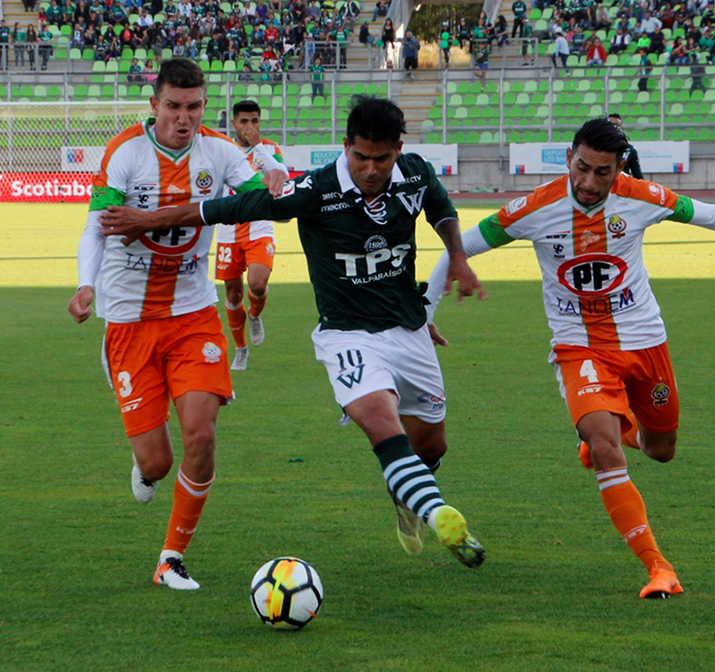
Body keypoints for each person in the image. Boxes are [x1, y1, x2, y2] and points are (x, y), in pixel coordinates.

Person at [425, 118, 715, 598]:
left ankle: (612, 432)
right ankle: (658, 567)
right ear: (568, 158)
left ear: (619, 168)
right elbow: (458, 250)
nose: (588, 182)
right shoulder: (536, 207)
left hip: (645, 343)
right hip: (578, 345)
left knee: (662, 450)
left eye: (602, 172)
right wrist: (423, 313)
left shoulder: (640, 197)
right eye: (581, 167)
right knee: (605, 448)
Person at [99, 96, 488, 570]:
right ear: (345, 146)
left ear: (398, 150)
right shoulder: (316, 191)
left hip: (407, 331)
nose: (369, 168)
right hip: (346, 335)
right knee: (380, 423)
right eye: (360, 156)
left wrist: (460, 259)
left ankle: (407, 496)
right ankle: (438, 513)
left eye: (380, 159)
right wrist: (147, 220)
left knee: (430, 446)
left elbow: (442, 210)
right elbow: (224, 209)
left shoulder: (416, 172)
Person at [66, 58, 288, 591]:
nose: (183, 118)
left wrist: (275, 178)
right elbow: (98, 228)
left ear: (202, 106)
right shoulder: (125, 152)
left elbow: (259, 192)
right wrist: (84, 283)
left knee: (201, 433)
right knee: (158, 462)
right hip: (130, 318)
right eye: (173, 107)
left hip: (193, 315)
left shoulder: (220, 151)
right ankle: (145, 468)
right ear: (155, 105)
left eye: (193, 107)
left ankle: (171, 558)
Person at [215, 99, 286, 371]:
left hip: (259, 225)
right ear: (233, 123)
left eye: (254, 121)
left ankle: (255, 314)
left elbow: (281, 177)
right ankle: (240, 349)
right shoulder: (221, 149)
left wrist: (257, 146)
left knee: (257, 285)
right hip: (228, 230)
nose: (249, 126)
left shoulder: (270, 148)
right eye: (243, 121)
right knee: (233, 296)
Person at [607, 114, 643, 179]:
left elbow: (638, 177)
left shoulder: (630, 150)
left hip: (622, 187)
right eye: (609, 125)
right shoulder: (595, 148)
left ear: (622, 128)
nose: (613, 128)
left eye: (616, 125)